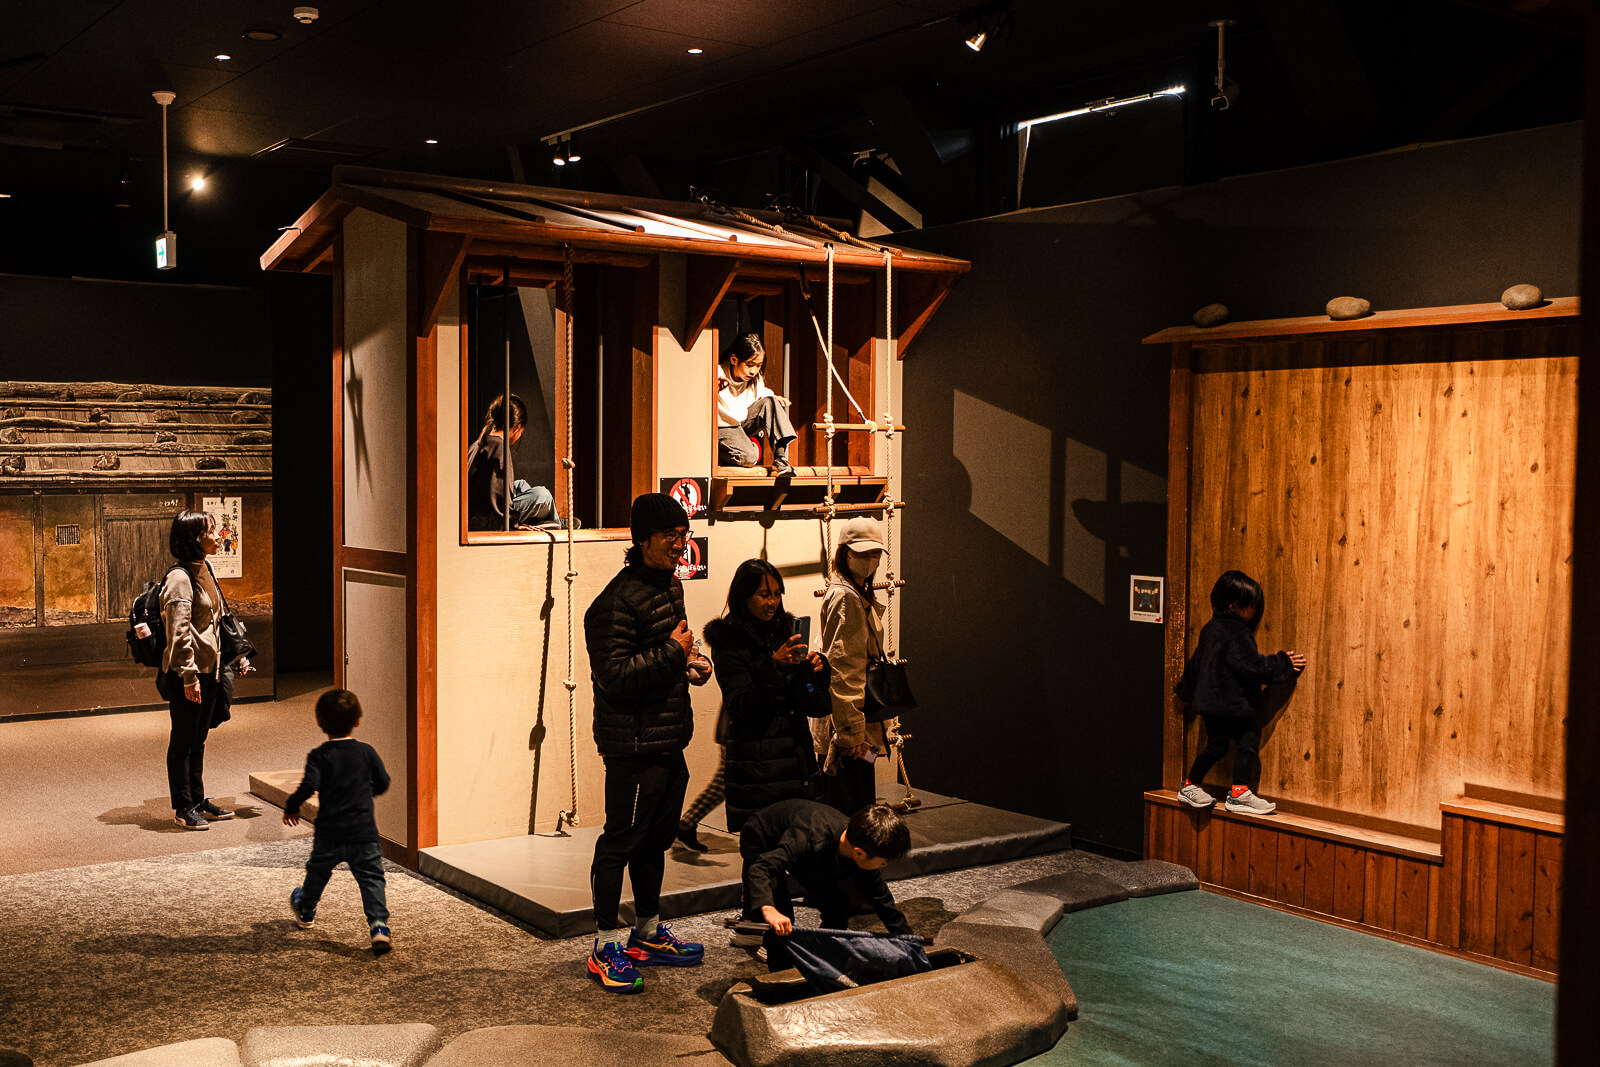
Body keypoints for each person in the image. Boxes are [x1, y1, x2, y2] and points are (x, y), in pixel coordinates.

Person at [583, 492, 714, 993]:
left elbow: (671, 648)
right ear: (642, 540)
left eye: (684, 536)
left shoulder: (669, 585)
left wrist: (691, 662)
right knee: (619, 843)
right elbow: (614, 677)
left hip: (669, 739)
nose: (680, 546)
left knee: (655, 841)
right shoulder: (613, 604)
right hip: (632, 748)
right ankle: (604, 946)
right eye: (669, 537)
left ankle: (647, 932)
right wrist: (673, 653)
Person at [700, 559, 831, 837]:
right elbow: (743, 706)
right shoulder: (729, 642)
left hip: (798, 763)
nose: (772, 602)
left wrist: (816, 669)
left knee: (803, 847)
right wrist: (775, 666)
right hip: (758, 769)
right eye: (763, 594)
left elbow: (816, 707)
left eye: (776, 594)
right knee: (765, 850)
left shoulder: (785, 632)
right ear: (744, 596)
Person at [1173, 570, 1307, 815]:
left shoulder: (1210, 628)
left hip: (1213, 705)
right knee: (1246, 745)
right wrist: (1283, 662)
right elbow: (1252, 666)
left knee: (1218, 746)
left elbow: (1196, 664)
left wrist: (1185, 691)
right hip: (1233, 705)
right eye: (1251, 605)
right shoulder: (1237, 632)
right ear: (1234, 606)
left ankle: (1193, 786)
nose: (1255, 610)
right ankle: (1236, 793)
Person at [282, 688, 394, 955]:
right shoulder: (366, 752)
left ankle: (306, 910)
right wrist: (366, 793)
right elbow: (383, 782)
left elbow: (309, 784)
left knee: (317, 872)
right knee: (372, 879)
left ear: (319, 722)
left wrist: (292, 806)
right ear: (358, 721)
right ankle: (379, 926)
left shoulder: (319, 755)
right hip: (363, 832)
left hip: (329, 832)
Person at [160, 509, 250, 831]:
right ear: (193, 539)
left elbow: (218, 619)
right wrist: (188, 675)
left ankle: (197, 800)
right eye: (210, 531)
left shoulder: (205, 569)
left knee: (198, 738)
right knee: (183, 740)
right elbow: (179, 632)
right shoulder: (179, 579)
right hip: (189, 674)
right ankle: (183, 807)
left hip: (210, 669)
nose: (216, 536)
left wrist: (237, 656)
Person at [814, 517, 899, 817]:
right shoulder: (846, 597)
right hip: (850, 727)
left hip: (856, 722)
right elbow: (843, 669)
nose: (871, 560)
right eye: (862, 553)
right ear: (845, 553)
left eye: (875, 553)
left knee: (854, 807)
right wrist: (850, 733)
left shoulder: (854, 591)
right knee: (850, 814)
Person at [741, 799, 913, 937]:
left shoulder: (859, 842)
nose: (884, 866)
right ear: (859, 853)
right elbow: (760, 867)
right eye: (883, 862)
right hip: (761, 838)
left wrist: (907, 938)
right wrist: (768, 909)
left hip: (810, 854)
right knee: (781, 918)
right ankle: (751, 934)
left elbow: (881, 897)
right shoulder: (810, 839)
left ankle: (822, 953)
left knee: (837, 910)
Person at [465, 393, 564, 530]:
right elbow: (498, 502)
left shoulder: (478, 443)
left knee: (521, 485)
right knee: (543, 495)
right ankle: (556, 523)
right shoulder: (499, 447)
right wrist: (512, 524)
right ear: (518, 427)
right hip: (487, 517)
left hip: (478, 508)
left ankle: (546, 519)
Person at [717, 333, 798, 476]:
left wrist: (774, 398)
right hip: (723, 428)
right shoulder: (718, 373)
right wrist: (715, 387)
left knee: (770, 401)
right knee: (750, 456)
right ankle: (736, 449)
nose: (753, 371)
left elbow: (763, 393)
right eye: (749, 365)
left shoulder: (755, 378)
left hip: (741, 425)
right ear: (734, 360)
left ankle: (780, 460)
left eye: (758, 365)